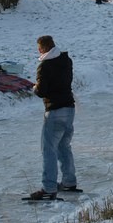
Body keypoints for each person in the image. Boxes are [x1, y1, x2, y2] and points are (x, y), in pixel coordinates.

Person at [30, 35, 76, 201]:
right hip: (70, 108)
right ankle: (69, 181)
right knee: (64, 146)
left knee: (49, 149)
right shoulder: (66, 60)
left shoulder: (45, 65)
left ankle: (49, 188)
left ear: (42, 49)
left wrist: (34, 88)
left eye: (38, 48)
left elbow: (42, 91)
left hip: (54, 110)